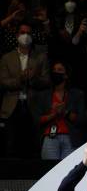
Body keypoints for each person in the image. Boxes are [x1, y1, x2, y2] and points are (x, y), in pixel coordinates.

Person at [0, 23, 50, 157]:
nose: (25, 36)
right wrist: (20, 79)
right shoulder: (6, 58)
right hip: (12, 106)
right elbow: (3, 82)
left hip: (33, 105)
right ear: (17, 35)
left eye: (28, 33)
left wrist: (33, 78)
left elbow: (46, 81)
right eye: (22, 32)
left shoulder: (40, 57)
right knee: (11, 145)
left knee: (33, 146)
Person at [32, 60, 86, 160]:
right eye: (54, 70)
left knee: (68, 170)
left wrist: (65, 112)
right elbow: (37, 120)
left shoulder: (77, 94)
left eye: (59, 70)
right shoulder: (43, 95)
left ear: (66, 75)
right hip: (50, 137)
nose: (55, 72)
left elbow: (81, 120)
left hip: (70, 138)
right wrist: (53, 114)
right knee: (50, 170)